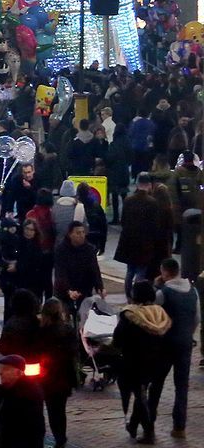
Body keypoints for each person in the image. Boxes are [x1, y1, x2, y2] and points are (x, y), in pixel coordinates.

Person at [151, 258, 199, 439]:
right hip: (185, 344)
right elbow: (196, 319)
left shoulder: (164, 292)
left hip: (165, 344)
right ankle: (179, 427)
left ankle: (150, 422)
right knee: (182, 386)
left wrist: (156, 287)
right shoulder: (193, 291)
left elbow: (152, 313)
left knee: (157, 383)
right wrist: (188, 335)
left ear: (164, 272)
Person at [116, 173, 174, 298]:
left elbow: (123, 221)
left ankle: (128, 295)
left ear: (137, 184)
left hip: (129, 241)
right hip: (145, 243)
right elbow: (155, 225)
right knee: (141, 272)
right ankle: (138, 295)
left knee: (130, 271)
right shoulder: (152, 203)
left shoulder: (128, 200)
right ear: (149, 185)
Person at [36, 298, 79, 448]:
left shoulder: (41, 331)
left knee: (52, 409)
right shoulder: (67, 329)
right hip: (64, 376)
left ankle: (58, 437)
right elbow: (74, 351)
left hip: (48, 376)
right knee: (60, 409)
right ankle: (61, 436)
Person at [52, 222, 104, 315]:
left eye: (83, 232)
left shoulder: (89, 249)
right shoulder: (61, 250)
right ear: (70, 234)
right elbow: (60, 272)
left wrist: (99, 286)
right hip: (65, 291)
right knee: (65, 315)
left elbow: (94, 269)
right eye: (78, 233)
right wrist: (68, 290)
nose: (81, 235)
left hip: (84, 289)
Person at [0, 355, 46, 448]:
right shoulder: (9, 388)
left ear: (18, 373)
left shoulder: (27, 394)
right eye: (0, 369)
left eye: (6, 369)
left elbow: (33, 428)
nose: (0, 372)